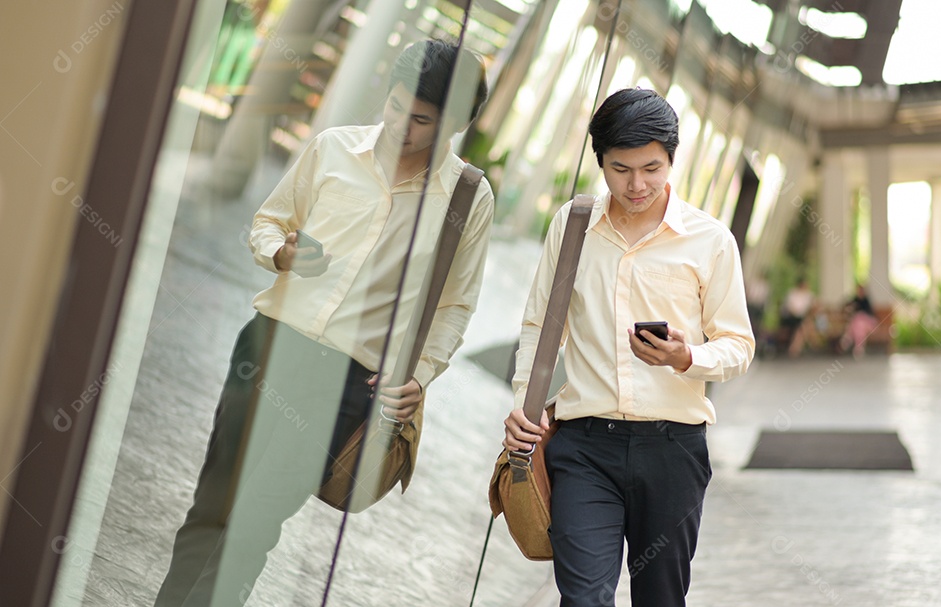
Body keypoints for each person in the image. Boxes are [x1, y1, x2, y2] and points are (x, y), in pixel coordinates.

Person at [155, 40, 493, 606]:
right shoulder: (333, 149)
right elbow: (269, 221)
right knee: (212, 507)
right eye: (394, 106)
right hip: (267, 346)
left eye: (420, 119)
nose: (398, 125)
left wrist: (422, 372)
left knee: (256, 524)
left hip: (345, 382)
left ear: (453, 124)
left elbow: (455, 304)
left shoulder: (467, 196)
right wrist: (281, 254)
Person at [502, 89, 755, 606]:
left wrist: (688, 357)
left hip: (673, 451)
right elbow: (539, 326)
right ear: (600, 162)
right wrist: (524, 402)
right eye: (620, 169)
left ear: (671, 160)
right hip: (583, 448)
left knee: (660, 598)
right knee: (584, 598)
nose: (636, 184)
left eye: (651, 168)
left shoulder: (709, 241)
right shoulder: (572, 228)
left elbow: (738, 345)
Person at [839, 284, 876, 357]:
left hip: (868, 324)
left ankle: (848, 338)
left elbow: (869, 314)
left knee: (859, 319)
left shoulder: (866, 301)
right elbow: (845, 305)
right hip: (858, 325)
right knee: (858, 325)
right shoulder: (855, 299)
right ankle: (858, 347)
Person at [780, 278, 814, 357]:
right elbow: (790, 308)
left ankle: (794, 347)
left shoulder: (808, 295)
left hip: (801, 318)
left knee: (803, 326)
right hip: (791, 317)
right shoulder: (793, 294)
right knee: (803, 326)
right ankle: (795, 347)